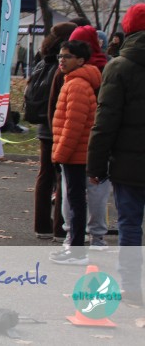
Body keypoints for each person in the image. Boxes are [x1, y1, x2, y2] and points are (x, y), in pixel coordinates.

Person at [88, 4, 145, 304]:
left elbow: (105, 121)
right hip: (130, 159)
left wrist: (96, 165)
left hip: (129, 162)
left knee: (130, 225)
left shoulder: (119, 67)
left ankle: (132, 285)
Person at [49, 40, 101, 266]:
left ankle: (78, 251)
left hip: (75, 154)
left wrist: (60, 155)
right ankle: (74, 247)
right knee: (75, 200)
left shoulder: (77, 85)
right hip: (75, 152)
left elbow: (73, 125)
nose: (62, 60)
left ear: (80, 60)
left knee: (76, 202)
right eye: (60, 56)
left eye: (67, 56)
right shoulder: (72, 81)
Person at [25, 21, 76, 240]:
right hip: (57, 126)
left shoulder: (42, 62)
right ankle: (59, 228)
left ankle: (42, 225)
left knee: (45, 175)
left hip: (44, 127)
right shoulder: (62, 67)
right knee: (62, 175)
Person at [68, 25, 112, 249]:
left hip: (77, 142)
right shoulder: (108, 68)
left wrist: (61, 150)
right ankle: (97, 236)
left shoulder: (72, 78)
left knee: (72, 192)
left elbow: (68, 117)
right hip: (102, 137)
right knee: (97, 190)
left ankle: (72, 235)